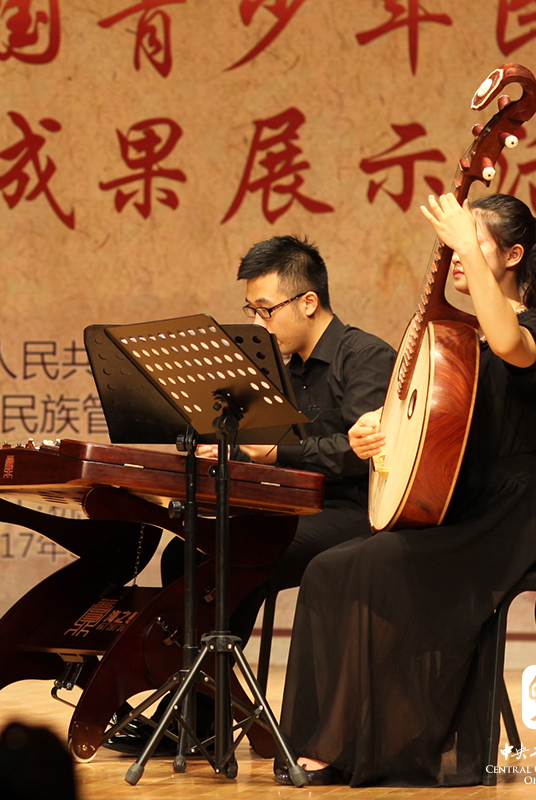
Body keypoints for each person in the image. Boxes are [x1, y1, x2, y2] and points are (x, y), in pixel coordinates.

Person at [276, 193, 536, 786]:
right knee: (329, 569)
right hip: (462, 503)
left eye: (472, 242)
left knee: (376, 566)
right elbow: (431, 430)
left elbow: (508, 343)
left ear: (514, 255)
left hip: (513, 512)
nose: (457, 254)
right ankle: (330, 735)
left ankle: (359, 743)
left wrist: (463, 241)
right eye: (454, 243)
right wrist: (376, 431)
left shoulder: (532, 332)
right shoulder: (456, 338)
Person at [108, 235, 395, 754]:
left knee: (234, 555)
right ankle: (201, 714)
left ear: (308, 302)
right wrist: (226, 451)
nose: (259, 324)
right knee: (187, 554)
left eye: (266, 310)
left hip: (353, 511)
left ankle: (209, 716)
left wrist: (276, 454)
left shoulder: (366, 357)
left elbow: (364, 452)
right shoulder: (273, 367)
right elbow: (261, 450)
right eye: (252, 311)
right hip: (284, 508)